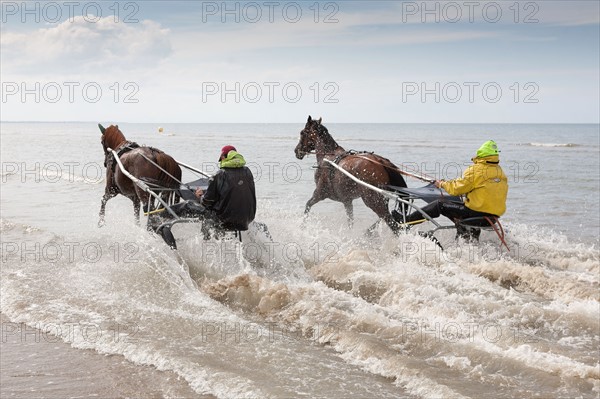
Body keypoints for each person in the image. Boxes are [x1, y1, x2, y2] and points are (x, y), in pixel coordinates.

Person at [395, 140, 508, 240]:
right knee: (459, 204)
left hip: (475, 213)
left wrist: (441, 184)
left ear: (481, 154)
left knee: (439, 204)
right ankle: (466, 238)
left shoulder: (476, 170)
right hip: (493, 217)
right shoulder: (500, 172)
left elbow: (456, 189)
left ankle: (406, 221)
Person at [194, 145, 256, 233]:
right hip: (247, 219)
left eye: (221, 158)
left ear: (224, 157)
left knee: (206, 212)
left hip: (225, 220)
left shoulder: (220, 174)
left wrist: (200, 196)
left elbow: (207, 202)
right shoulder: (248, 172)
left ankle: (207, 242)